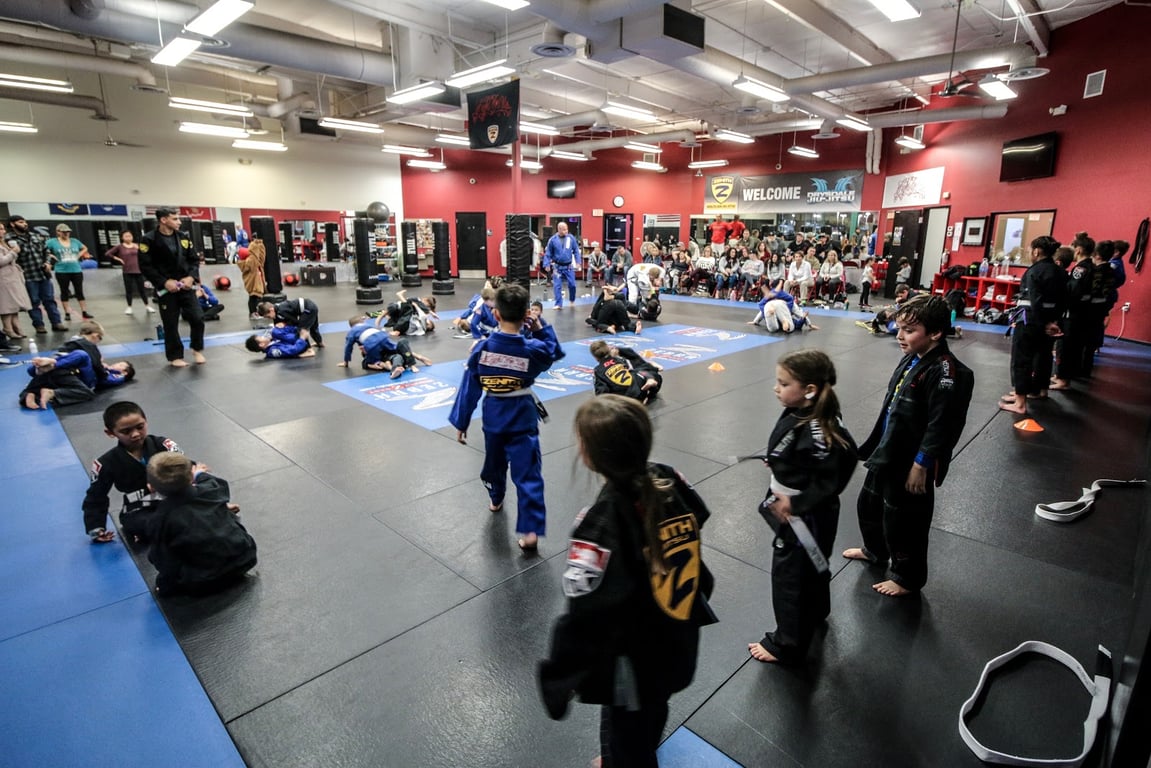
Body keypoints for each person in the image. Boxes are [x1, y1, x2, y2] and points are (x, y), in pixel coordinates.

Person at [538, 395, 717, 768]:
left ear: (590, 455)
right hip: (676, 637)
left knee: (629, 728)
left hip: (635, 660)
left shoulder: (601, 525)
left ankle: (625, 758)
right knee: (649, 712)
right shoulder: (667, 477)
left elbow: (586, 615)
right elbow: (697, 516)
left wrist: (561, 675)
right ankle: (621, 753)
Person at [843, 295, 974, 596]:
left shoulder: (946, 372)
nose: (899, 335)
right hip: (889, 449)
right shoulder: (912, 357)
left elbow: (942, 425)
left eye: (909, 330)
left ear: (936, 333)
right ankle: (875, 550)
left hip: (911, 460)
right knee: (869, 504)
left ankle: (907, 577)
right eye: (899, 328)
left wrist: (922, 464)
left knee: (904, 519)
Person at [751, 350, 856, 664]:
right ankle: (816, 610)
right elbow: (796, 447)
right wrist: (780, 460)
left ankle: (788, 644)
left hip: (804, 515)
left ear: (809, 389)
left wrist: (796, 503)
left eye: (784, 384)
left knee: (790, 574)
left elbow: (838, 469)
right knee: (815, 561)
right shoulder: (805, 410)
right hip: (808, 511)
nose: (776, 388)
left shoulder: (820, 429)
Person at [449, 284, 564, 551]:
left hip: (494, 418)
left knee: (494, 464)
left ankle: (496, 497)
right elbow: (554, 352)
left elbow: (469, 388)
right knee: (529, 475)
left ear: (496, 314)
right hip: (523, 418)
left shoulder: (482, 349)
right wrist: (539, 326)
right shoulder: (532, 348)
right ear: (526, 315)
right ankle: (531, 531)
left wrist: (462, 421)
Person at [145, 452, 257, 596]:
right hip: (246, 558)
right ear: (191, 477)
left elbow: (162, 561)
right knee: (222, 514)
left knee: (156, 554)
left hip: (204, 581)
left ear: (151, 488)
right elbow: (210, 479)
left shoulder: (160, 519)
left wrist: (165, 583)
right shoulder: (212, 488)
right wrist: (199, 473)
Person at [82, 401, 181, 543]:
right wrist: (96, 527)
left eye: (140, 427)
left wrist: (166, 481)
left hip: (174, 498)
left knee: (209, 488)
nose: (135, 434)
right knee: (143, 522)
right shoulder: (106, 462)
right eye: (126, 431)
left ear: (146, 421)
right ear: (110, 433)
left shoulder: (163, 445)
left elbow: (187, 469)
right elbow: (96, 496)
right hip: (140, 508)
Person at [1001, 236, 1068, 413]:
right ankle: (1039, 390)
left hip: (1030, 320)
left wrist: (1044, 322)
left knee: (1022, 359)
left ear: (1036, 251)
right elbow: (1063, 300)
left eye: (1031, 250)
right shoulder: (1061, 272)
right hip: (1051, 321)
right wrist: (1053, 322)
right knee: (1043, 356)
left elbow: (1035, 300)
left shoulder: (1034, 271)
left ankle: (1020, 402)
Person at [139, 208, 206, 368]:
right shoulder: (148, 240)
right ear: (163, 220)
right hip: (166, 289)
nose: (179, 222)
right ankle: (175, 355)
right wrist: (164, 282)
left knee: (198, 318)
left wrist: (191, 277)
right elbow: (145, 266)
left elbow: (194, 260)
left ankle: (196, 348)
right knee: (170, 323)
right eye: (175, 219)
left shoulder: (183, 237)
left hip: (185, 286)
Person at [5, 214, 67, 334]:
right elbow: (11, 258)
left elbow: (46, 251)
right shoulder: (9, 239)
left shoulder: (35, 236)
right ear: (12, 224)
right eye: (21, 222)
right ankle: (39, 325)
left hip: (43, 273)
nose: (25, 224)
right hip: (27, 275)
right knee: (33, 302)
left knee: (49, 300)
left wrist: (48, 263)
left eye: (25, 222)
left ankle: (56, 322)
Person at [339, 315, 431, 377]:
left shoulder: (351, 332)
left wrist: (346, 362)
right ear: (361, 322)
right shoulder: (367, 325)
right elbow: (379, 331)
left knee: (373, 361)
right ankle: (418, 357)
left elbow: (348, 348)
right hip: (383, 337)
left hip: (371, 344)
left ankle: (387, 367)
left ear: (352, 326)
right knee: (396, 348)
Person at [45, 224, 94, 321]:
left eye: (68, 232)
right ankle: (67, 312)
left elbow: (85, 248)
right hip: (62, 270)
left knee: (79, 291)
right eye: (64, 232)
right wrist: (50, 255)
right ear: (58, 232)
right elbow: (42, 249)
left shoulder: (74, 241)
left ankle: (84, 311)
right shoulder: (52, 242)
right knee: (64, 291)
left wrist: (78, 255)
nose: (66, 234)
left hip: (76, 269)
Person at [589, 340, 662, 403]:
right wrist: (618, 352)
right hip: (639, 388)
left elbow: (602, 392)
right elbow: (632, 356)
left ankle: (648, 383)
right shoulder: (619, 360)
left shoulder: (598, 370)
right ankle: (650, 380)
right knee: (645, 372)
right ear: (608, 349)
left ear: (595, 357)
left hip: (624, 400)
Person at [106, 231, 156, 315]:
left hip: (138, 270)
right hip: (127, 271)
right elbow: (108, 253)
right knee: (129, 290)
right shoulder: (120, 247)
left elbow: (146, 253)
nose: (128, 238)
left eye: (130, 236)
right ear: (122, 238)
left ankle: (147, 306)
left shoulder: (137, 245)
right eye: (126, 236)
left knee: (142, 290)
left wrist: (140, 251)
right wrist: (119, 259)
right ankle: (129, 307)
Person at [0, 220, 32, 339]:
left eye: (3, 229)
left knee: (14, 304)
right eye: (0, 229)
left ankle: (17, 327)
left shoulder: (4, 243)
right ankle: (8, 329)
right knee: (6, 305)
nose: (3, 231)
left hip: (12, 277)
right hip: (3, 279)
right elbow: (1, 261)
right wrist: (13, 252)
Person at [258, 296, 323, 347]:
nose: (269, 318)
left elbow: (295, 321)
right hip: (310, 306)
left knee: (302, 330)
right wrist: (270, 339)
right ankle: (319, 343)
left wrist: (285, 324)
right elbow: (277, 325)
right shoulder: (276, 310)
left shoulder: (281, 311)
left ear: (271, 310)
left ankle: (307, 349)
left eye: (268, 316)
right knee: (313, 327)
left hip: (308, 309)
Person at [544, 222, 580, 310]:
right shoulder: (552, 240)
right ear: (559, 229)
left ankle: (572, 299)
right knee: (557, 286)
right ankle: (558, 304)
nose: (566, 231)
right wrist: (546, 264)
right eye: (564, 229)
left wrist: (578, 262)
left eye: (567, 229)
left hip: (569, 267)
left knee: (572, 284)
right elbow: (548, 253)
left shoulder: (571, 238)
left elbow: (576, 250)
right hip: (557, 267)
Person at [245, 325, 315, 359]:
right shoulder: (273, 351)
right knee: (275, 331)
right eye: (261, 337)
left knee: (275, 330)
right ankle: (307, 348)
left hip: (297, 339)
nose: (263, 336)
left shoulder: (272, 341)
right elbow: (292, 350)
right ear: (261, 344)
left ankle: (298, 327)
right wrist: (302, 338)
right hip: (299, 345)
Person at [239, 235, 267, 317]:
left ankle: (256, 312)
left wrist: (260, 245)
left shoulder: (255, 262)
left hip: (258, 282)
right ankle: (252, 313)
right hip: (253, 284)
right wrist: (255, 245)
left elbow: (261, 258)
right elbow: (254, 257)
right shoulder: (250, 261)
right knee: (253, 298)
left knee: (256, 298)